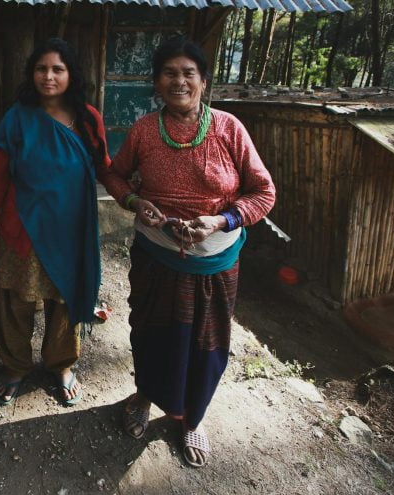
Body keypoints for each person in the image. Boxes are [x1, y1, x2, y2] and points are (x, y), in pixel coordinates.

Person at [103, 37, 275, 467]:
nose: (178, 81)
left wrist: (220, 221)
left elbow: (263, 192)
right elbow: (115, 176)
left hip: (215, 262)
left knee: (206, 343)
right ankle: (144, 396)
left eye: (188, 73)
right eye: (169, 73)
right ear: (156, 83)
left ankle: (192, 417)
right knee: (151, 331)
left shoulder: (229, 129)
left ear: (203, 81)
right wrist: (134, 202)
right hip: (156, 254)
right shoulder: (144, 130)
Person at [0, 38, 111, 407]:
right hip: (21, 229)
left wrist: (137, 196)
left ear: (71, 74)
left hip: (70, 233)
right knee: (14, 302)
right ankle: (15, 365)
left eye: (58, 69)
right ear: (31, 74)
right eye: (41, 69)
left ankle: (61, 363)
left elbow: (105, 169)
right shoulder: (17, 118)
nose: (49, 76)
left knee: (66, 300)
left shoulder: (87, 119)